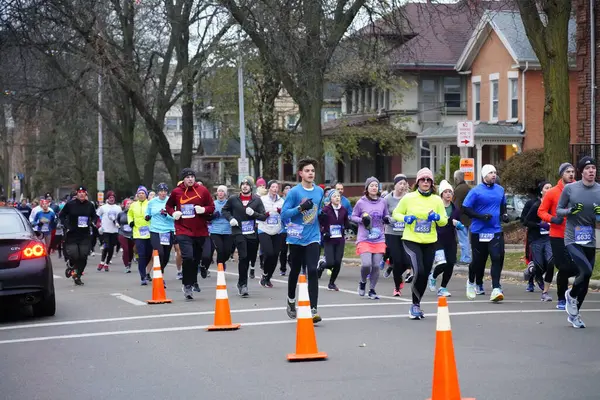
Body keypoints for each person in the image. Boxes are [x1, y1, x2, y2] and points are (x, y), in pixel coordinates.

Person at [393, 168, 447, 319]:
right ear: (417, 182)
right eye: (422, 180)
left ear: (432, 183)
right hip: (411, 240)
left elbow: (444, 221)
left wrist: (436, 217)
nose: (425, 182)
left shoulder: (436, 200)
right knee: (420, 271)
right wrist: (405, 219)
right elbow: (396, 213)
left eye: (428, 180)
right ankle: (414, 305)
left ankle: (416, 304)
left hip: (430, 242)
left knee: (425, 274)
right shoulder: (409, 198)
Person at [556, 156, 600, 328]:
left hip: (589, 238)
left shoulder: (599, 190)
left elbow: (598, 217)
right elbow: (559, 211)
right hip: (572, 238)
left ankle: (575, 314)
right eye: (588, 168)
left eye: (594, 168)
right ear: (582, 171)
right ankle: (570, 295)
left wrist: (598, 214)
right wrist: (571, 211)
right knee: (587, 271)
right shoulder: (570, 189)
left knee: (586, 280)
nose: (591, 171)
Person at [281, 158, 324, 323]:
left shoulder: (319, 192)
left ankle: (313, 309)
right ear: (301, 173)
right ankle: (291, 300)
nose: (310, 173)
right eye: (307, 170)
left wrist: (322, 215)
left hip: (313, 237)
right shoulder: (294, 192)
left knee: (312, 270)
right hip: (296, 237)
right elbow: (284, 214)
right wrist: (300, 208)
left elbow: (317, 211)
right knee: (295, 270)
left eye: (312, 170)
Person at [462, 164, 510, 302]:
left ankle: (495, 288)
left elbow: (503, 205)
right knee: (478, 261)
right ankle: (471, 282)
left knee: (496, 257)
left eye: (495, 172)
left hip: (495, 230)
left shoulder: (500, 190)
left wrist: (504, 215)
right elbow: (465, 208)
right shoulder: (476, 191)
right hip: (478, 231)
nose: (494, 175)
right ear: (484, 176)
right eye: (490, 173)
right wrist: (480, 216)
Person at [166, 168, 215, 300]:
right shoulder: (176, 192)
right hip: (183, 229)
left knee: (200, 258)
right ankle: (187, 285)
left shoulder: (202, 191)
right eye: (187, 177)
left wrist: (203, 209)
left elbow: (212, 207)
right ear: (183, 179)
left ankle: (196, 277)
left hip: (200, 231)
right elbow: (168, 206)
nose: (190, 179)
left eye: (192, 176)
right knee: (188, 257)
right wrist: (173, 213)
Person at [537, 162, 578, 310]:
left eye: (573, 171)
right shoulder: (552, 192)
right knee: (564, 267)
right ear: (562, 174)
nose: (571, 174)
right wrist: (553, 219)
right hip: (558, 235)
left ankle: (570, 295)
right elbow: (541, 211)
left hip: (576, 235)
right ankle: (561, 299)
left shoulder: (579, 190)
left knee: (579, 268)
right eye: (568, 171)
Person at [222, 176, 267, 296]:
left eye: (247, 184)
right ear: (240, 186)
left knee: (250, 257)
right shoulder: (233, 199)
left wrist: (254, 213)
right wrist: (230, 218)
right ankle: (243, 284)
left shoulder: (256, 200)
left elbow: (263, 216)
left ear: (251, 187)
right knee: (243, 256)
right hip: (238, 231)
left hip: (251, 233)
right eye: (243, 184)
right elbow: (224, 210)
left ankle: (242, 282)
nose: (245, 186)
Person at [351, 177, 389, 300]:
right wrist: (362, 220)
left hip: (379, 238)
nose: (374, 187)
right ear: (367, 188)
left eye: (376, 185)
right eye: (371, 185)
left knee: (376, 266)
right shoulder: (361, 202)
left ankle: (372, 289)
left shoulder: (383, 202)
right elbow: (353, 216)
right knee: (366, 264)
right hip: (365, 238)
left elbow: (386, 215)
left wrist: (387, 219)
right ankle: (362, 282)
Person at [428, 180, 464, 297]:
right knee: (442, 263)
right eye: (446, 192)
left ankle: (443, 287)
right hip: (437, 239)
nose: (448, 194)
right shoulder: (436, 207)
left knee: (450, 263)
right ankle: (433, 276)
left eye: (450, 192)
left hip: (450, 240)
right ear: (441, 194)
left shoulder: (455, 209)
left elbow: (458, 223)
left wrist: (459, 225)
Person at [59, 186, 97, 285]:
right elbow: (62, 215)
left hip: (85, 234)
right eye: (79, 192)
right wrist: (66, 225)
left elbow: (94, 216)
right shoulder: (70, 204)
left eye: (83, 192)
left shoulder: (90, 205)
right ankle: (71, 265)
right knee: (74, 255)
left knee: (83, 256)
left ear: (86, 194)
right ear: (77, 194)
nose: (81, 194)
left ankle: (77, 275)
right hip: (72, 233)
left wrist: (93, 222)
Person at [523, 181, 554, 302]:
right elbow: (525, 221)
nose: (550, 189)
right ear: (541, 191)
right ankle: (535, 275)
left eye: (551, 187)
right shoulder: (536, 205)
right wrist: (539, 225)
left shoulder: (555, 204)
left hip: (549, 238)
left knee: (551, 261)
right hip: (536, 238)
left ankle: (539, 278)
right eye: (547, 188)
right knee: (539, 264)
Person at [384, 174, 410, 296]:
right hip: (392, 233)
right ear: (395, 185)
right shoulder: (387, 199)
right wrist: (388, 219)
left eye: (404, 184)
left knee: (407, 261)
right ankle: (397, 287)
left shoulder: (408, 198)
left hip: (406, 233)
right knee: (397, 260)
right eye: (400, 183)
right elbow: (383, 214)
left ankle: (398, 275)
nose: (402, 186)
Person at [257, 180, 284, 288]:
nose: (275, 189)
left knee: (275, 255)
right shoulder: (262, 200)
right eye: (273, 187)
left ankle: (267, 278)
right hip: (264, 229)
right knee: (269, 253)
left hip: (277, 230)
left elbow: (286, 214)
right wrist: (264, 214)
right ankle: (264, 272)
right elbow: (257, 212)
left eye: (276, 187)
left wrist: (281, 211)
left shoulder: (282, 201)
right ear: (269, 188)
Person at [146, 183, 175, 282]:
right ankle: (159, 274)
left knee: (166, 256)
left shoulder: (171, 202)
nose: (163, 193)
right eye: (161, 191)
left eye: (165, 191)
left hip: (168, 231)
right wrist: (147, 217)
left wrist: (167, 214)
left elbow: (175, 217)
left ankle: (160, 270)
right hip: (155, 230)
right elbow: (148, 213)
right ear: (158, 192)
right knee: (160, 253)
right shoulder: (152, 202)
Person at [128, 186, 153, 285]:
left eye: (143, 193)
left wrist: (150, 217)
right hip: (138, 233)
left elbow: (154, 214)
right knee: (141, 255)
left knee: (148, 255)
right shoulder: (133, 205)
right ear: (137, 195)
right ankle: (143, 276)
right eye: (139, 193)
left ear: (146, 195)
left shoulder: (150, 204)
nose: (141, 195)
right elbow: (129, 214)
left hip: (150, 233)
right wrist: (130, 222)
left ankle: (144, 270)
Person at [96, 191, 122, 272]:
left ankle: (107, 263)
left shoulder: (118, 208)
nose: (112, 199)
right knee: (106, 246)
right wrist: (99, 226)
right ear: (107, 198)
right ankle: (102, 262)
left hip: (114, 230)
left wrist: (118, 223)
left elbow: (120, 218)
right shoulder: (103, 207)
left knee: (111, 248)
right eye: (110, 197)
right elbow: (97, 217)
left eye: (113, 198)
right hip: (106, 230)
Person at [209, 185, 233, 270]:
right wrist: (213, 216)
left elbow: (234, 215)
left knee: (227, 251)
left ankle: (221, 261)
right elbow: (207, 218)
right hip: (215, 231)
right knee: (220, 250)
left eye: (222, 191)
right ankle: (220, 267)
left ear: (226, 194)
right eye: (219, 191)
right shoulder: (213, 204)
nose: (220, 193)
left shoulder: (229, 204)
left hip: (228, 230)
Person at [453, 170, 472, 265]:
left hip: (461, 219)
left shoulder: (458, 189)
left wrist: (454, 217)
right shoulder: (468, 187)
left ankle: (466, 258)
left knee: (463, 239)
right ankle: (466, 257)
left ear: (456, 178)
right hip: (468, 217)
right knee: (466, 239)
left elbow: (456, 205)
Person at [279, 183, 293, 276]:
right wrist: (287, 224)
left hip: (293, 229)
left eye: (290, 188)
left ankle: (292, 265)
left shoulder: (294, 200)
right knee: (283, 250)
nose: (288, 190)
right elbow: (282, 215)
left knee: (293, 250)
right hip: (283, 230)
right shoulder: (281, 201)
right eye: (286, 188)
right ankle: (283, 268)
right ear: (283, 191)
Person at [117, 199, 135, 273]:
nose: (129, 205)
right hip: (122, 233)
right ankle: (126, 265)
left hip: (132, 233)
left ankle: (129, 261)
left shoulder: (134, 213)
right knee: (126, 249)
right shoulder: (121, 213)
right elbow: (118, 221)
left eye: (131, 203)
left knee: (131, 250)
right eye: (127, 203)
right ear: (124, 205)